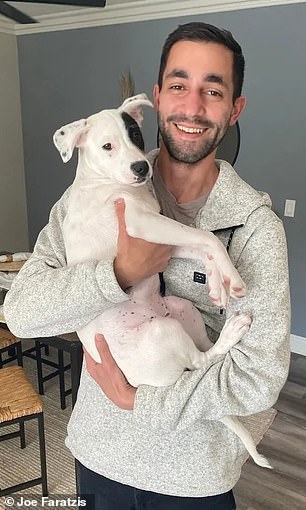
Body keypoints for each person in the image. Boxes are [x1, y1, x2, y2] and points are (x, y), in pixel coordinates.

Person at [4, 21, 290, 510]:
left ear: (235, 109)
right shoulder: (83, 200)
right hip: (100, 456)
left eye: (213, 90)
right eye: (179, 85)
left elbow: (258, 377)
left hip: (192, 478)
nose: (193, 106)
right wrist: (115, 275)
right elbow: (21, 314)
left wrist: (140, 401)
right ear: (158, 96)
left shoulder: (255, 229)